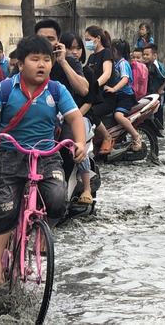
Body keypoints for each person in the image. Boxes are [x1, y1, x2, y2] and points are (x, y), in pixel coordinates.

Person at [0, 34, 86, 291]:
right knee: (4, 209)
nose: (42, 65)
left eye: (46, 59)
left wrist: (79, 143)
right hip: (9, 155)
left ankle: (42, 229)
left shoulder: (57, 89)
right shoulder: (5, 88)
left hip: (47, 156)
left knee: (58, 201)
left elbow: (75, 119)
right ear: (20, 64)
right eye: (35, 59)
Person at [60, 31, 102, 205]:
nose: (74, 52)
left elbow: (89, 100)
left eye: (78, 48)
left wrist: (73, 116)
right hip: (60, 115)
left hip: (82, 115)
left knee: (79, 142)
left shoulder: (87, 72)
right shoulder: (55, 70)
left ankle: (86, 188)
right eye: (70, 48)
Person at [85, 25, 116, 154]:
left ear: (98, 38)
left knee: (90, 113)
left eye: (88, 39)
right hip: (93, 97)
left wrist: (94, 85)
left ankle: (107, 136)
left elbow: (107, 74)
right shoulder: (91, 57)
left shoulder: (106, 53)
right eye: (85, 40)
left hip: (106, 98)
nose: (87, 42)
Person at [107, 40, 142, 151]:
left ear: (115, 51)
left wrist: (113, 89)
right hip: (116, 96)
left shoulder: (123, 63)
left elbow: (125, 79)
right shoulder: (113, 63)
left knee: (118, 116)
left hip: (125, 96)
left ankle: (136, 136)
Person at [143, 43, 165, 130]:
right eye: (144, 55)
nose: (145, 57)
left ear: (154, 55)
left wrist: (161, 88)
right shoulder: (144, 65)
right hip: (147, 93)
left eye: (147, 55)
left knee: (158, 113)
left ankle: (160, 132)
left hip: (157, 94)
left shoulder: (158, 66)